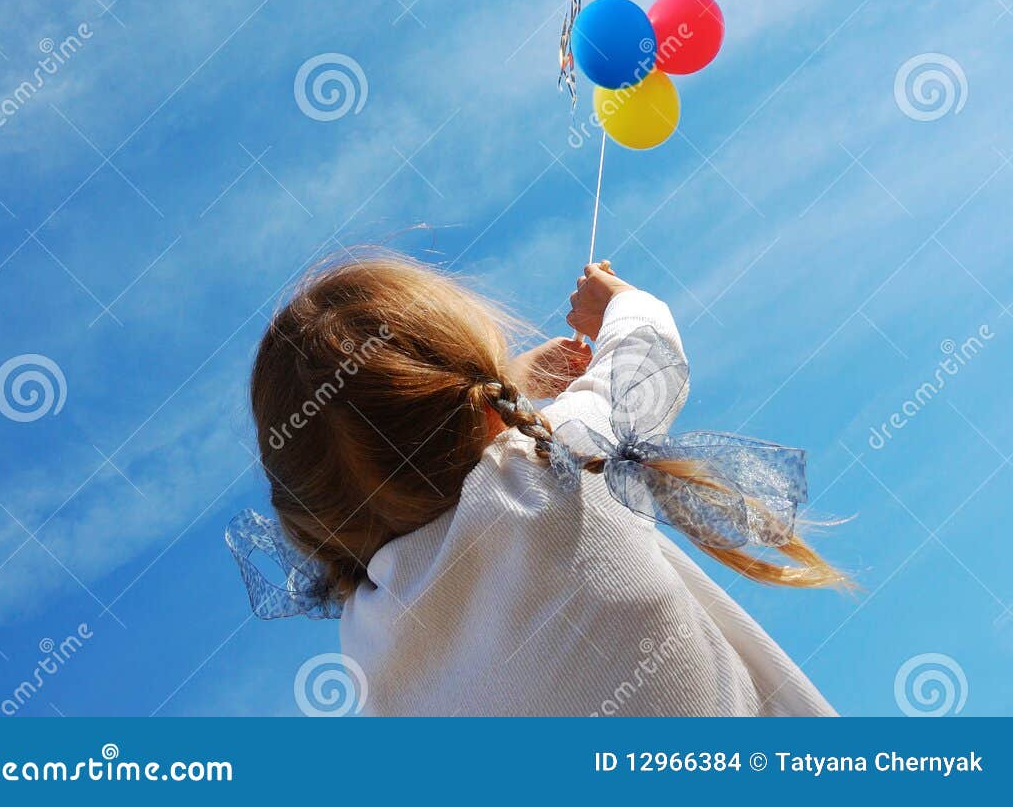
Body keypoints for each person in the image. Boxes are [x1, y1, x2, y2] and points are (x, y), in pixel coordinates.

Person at [240, 254, 845, 716]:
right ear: (487, 409)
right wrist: (623, 302)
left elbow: (398, 466)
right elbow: (647, 361)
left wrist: (507, 395)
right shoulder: (551, 474)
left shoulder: (369, 649)